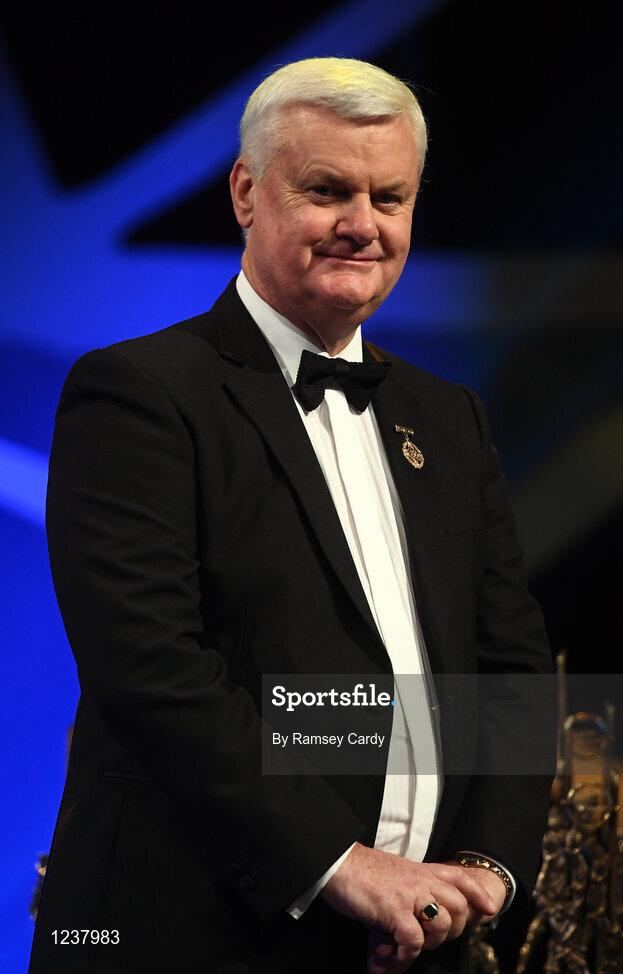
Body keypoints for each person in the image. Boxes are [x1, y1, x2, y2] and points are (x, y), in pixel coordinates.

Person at [29, 57, 555, 974]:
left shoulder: (449, 417)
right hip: (191, 939)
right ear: (245, 192)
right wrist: (342, 866)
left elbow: (509, 667)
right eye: (326, 190)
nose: (362, 225)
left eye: (389, 198)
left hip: (422, 943)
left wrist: (485, 871)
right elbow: (152, 673)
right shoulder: (138, 393)